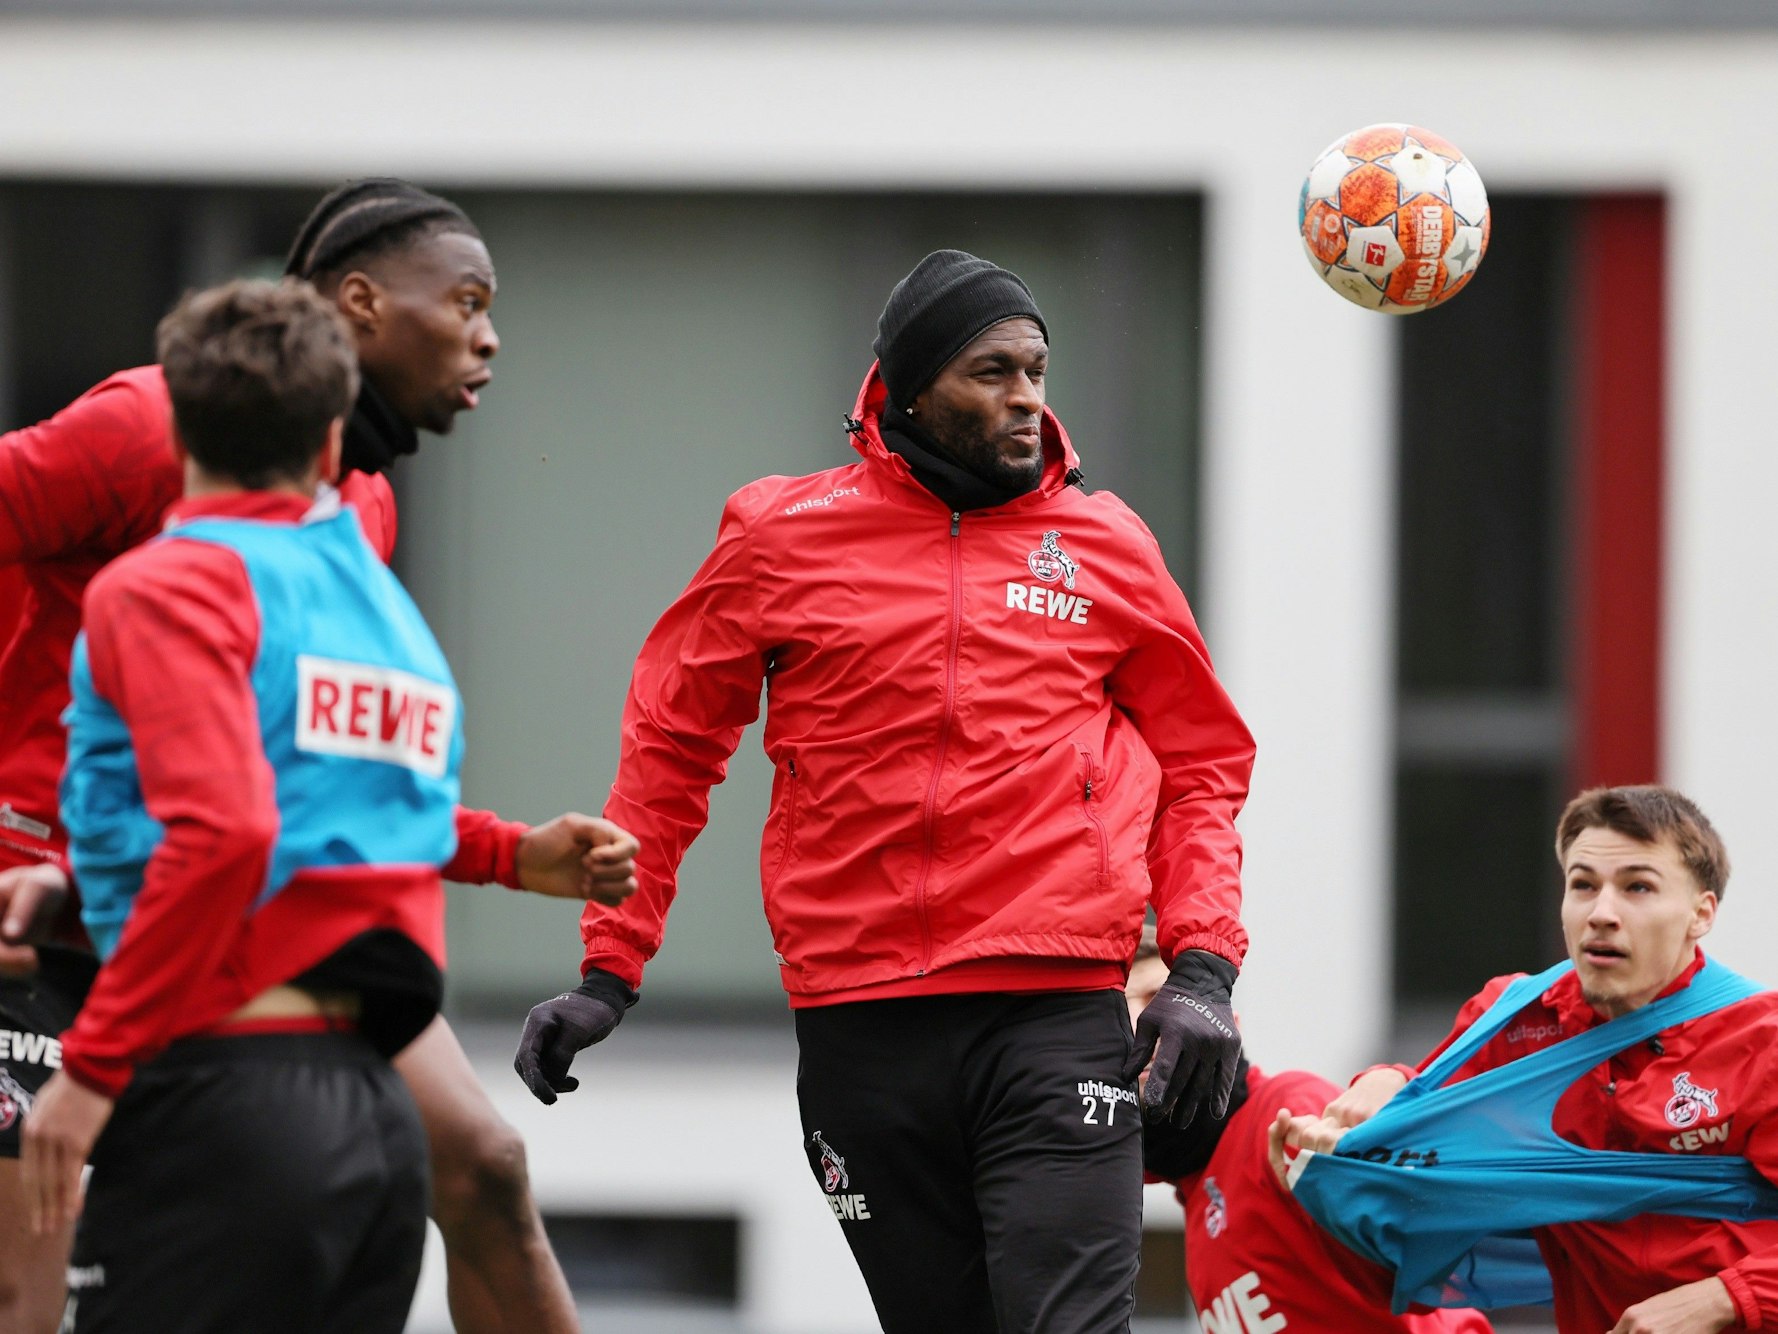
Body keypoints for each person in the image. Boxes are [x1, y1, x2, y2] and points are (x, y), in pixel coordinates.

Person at [515, 249, 1257, 1332]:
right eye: (988, 372)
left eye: (1035, 370)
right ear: (906, 386)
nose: (1024, 401)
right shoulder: (778, 534)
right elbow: (670, 746)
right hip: (859, 1026)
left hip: (1051, 1014)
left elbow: (1203, 763)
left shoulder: (1105, 545)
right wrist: (608, 963)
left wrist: (1200, 969)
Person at [0, 179, 583, 1333]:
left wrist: (509, 852)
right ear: (360, 303)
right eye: (464, 301)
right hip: (58, 916)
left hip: (252, 929)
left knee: (481, 1162)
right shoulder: (145, 424)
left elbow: (303, 782)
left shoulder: (353, 505)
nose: (489, 335)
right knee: (29, 1248)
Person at [1272, 785, 1778, 1333]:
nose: (1602, 912)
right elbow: (1416, 1138)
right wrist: (1347, 1142)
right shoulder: (1514, 1020)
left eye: (1638, 887)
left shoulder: (1760, 1040)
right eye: (1583, 885)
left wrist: (1722, 1299)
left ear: (1701, 914)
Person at [1125, 927, 1494, 1333]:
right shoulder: (1196, 1197)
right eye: (1124, 1012)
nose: (1148, 1024)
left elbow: (1432, 1232)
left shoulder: (1284, 1113)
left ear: (1229, 1026)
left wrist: (1393, 1093)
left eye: (1157, 998)